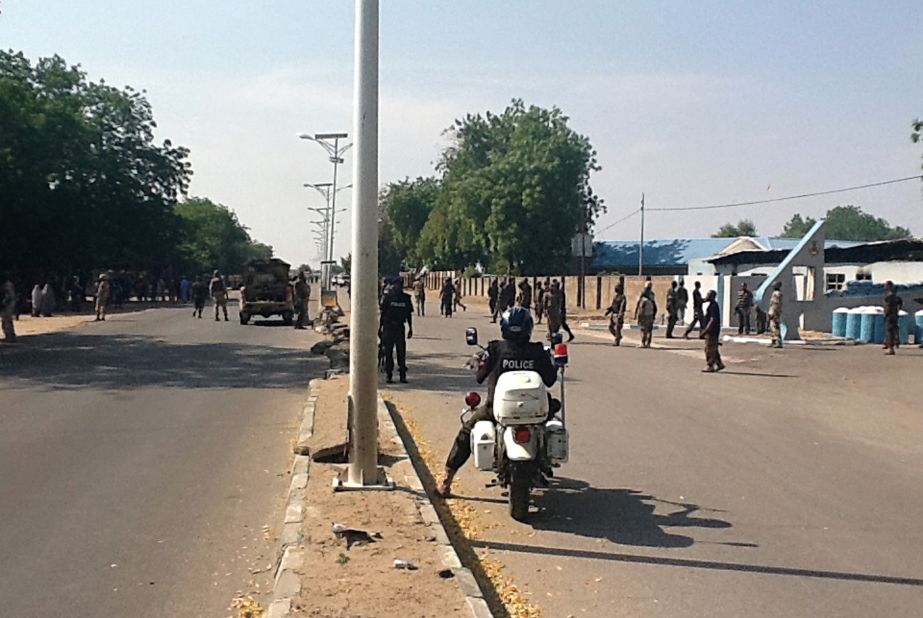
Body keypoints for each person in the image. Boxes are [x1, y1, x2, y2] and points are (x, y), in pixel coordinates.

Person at [437, 307, 556, 497]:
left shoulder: (495, 349)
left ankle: (446, 479)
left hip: (497, 411)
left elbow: (479, 377)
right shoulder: (538, 351)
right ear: (528, 328)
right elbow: (550, 380)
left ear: (504, 328)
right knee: (553, 415)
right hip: (535, 412)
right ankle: (545, 459)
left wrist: (479, 363)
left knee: (467, 431)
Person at [379, 276, 413, 383]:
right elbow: (383, 314)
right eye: (397, 284)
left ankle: (402, 375)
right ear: (393, 286)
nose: (399, 287)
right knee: (388, 352)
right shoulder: (388, 298)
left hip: (399, 328)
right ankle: (389, 375)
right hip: (388, 327)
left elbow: (408, 315)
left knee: (401, 353)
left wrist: (411, 328)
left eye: (400, 285)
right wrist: (380, 327)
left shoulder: (406, 298)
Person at [701, 289, 725, 372]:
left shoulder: (713, 306)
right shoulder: (712, 305)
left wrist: (705, 330)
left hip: (712, 331)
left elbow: (712, 320)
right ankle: (719, 363)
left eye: (708, 295)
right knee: (714, 348)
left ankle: (710, 365)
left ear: (712, 296)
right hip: (713, 330)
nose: (706, 296)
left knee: (709, 349)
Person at [883, 280, 902, 355]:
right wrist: (897, 311)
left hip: (890, 316)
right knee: (895, 329)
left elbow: (888, 306)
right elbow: (900, 304)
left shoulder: (889, 297)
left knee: (890, 331)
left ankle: (891, 348)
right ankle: (896, 342)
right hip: (895, 315)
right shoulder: (896, 296)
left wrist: (886, 314)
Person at [767, 281, 783, 348]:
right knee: (772, 326)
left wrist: (773, 313)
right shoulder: (775, 293)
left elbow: (776, 304)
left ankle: (778, 342)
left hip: (775, 312)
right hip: (772, 311)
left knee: (775, 327)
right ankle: (773, 341)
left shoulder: (777, 294)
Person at [1, 274, 17, 343]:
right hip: (7, 303)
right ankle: (9, 335)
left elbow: (9, 296)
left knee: (7, 320)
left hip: (8, 303)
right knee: (6, 321)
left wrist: (4, 302)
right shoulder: (7, 284)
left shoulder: (7, 285)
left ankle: (10, 336)